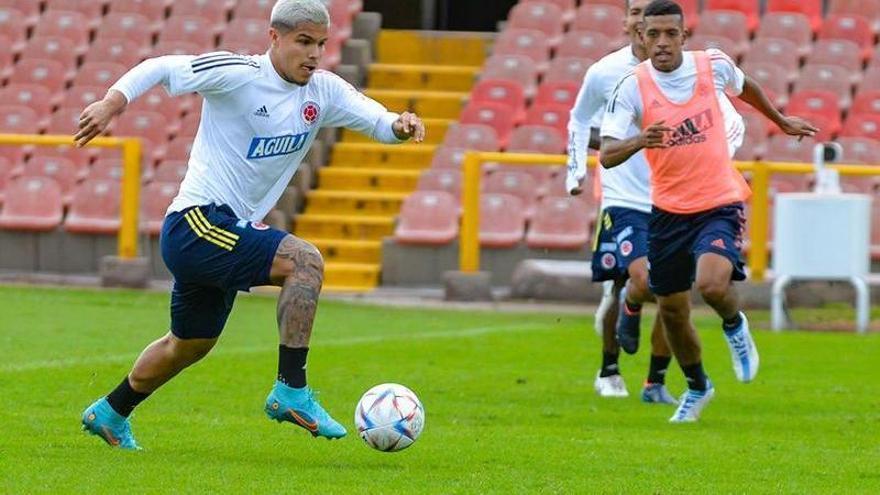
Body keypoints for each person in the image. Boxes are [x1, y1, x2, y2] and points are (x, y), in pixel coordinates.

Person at [77, 0, 426, 449]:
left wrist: (399, 124)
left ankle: (109, 411)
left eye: (321, 43)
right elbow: (161, 66)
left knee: (189, 345)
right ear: (274, 38)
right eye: (303, 42)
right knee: (304, 261)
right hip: (196, 222)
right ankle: (291, 390)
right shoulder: (240, 74)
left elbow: (377, 121)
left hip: (224, 231)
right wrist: (111, 104)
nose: (314, 54)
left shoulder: (323, 91)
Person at [599, 0, 818, 422]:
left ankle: (735, 327)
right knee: (673, 311)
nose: (662, 42)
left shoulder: (711, 65)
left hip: (717, 201)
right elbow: (607, 154)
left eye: (670, 34)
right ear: (641, 38)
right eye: (653, 35)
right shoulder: (631, 86)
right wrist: (641, 140)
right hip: (666, 212)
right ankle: (698, 387)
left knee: (713, 285)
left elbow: (745, 84)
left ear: (684, 36)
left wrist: (780, 120)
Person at [567, 0, 684, 404]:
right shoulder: (606, 72)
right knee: (630, 281)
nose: (641, 21)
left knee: (672, 292)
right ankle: (609, 368)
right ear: (629, 21)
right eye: (635, 12)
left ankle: (655, 382)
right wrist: (576, 170)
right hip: (622, 195)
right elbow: (583, 122)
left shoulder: (689, 75)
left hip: (673, 196)